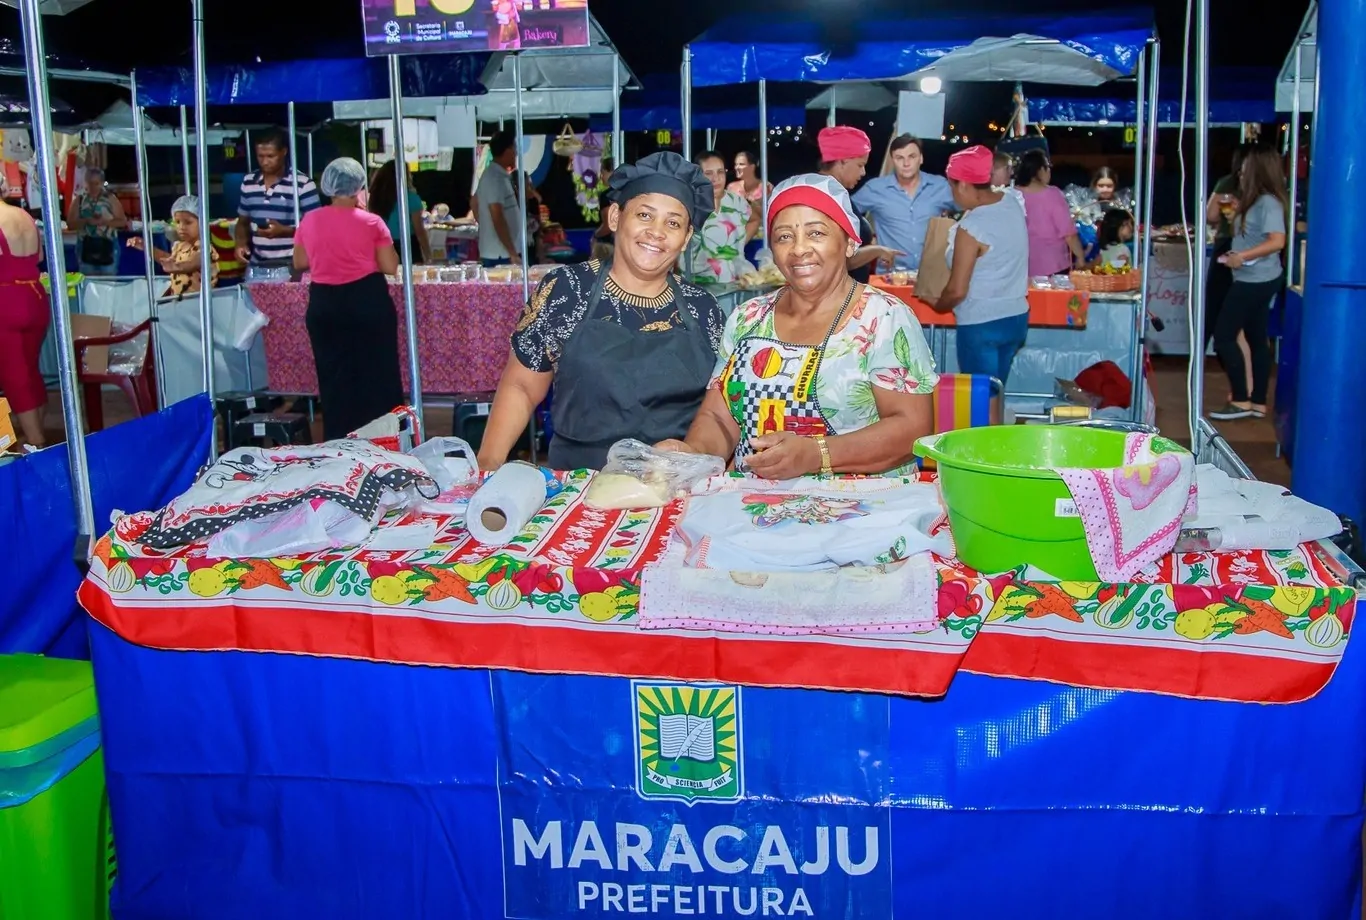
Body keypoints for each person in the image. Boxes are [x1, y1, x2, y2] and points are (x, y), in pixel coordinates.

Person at [661, 174, 937, 479]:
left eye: (816, 233)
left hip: (862, 512)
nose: (799, 249)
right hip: (753, 507)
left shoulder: (883, 317)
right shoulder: (748, 318)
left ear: (848, 243)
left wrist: (817, 455)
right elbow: (719, 416)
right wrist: (691, 455)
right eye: (783, 237)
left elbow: (912, 428)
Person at [477, 152, 724, 472]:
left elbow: (720, 412)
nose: (657, 232)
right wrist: (489, 462)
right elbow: (522, 388)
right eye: (645, 215)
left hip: (672, 486)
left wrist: (693, 451)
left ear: (687, 237)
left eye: (673, 223)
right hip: (579, 485)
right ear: (615, 217)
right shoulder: (566, 290)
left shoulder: (704, 309)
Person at [292, 158, 403, 440]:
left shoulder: (309, 220)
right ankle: (383, 440)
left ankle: (339, 442)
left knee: (334, 378)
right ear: (359, 187)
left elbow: (300, 261)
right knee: (378, 374)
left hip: (325, 304)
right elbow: (390, 266)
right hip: (367, 300)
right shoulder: (372, 222)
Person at [933, 146, 1030, 387]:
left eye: (952, 185)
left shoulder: (972, 228)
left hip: (982, 324)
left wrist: (938, 304)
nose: (952, 193)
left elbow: (957, 290)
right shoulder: (1011, 203)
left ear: (964, 185)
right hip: (1016, 317)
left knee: (979, 401)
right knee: (996, 394)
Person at [1209, 146, 1288, 422]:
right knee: (1256, 337)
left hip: (1256, 278)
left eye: (1245, 169)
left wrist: (1242, 256)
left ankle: (1241, 399)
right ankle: (1257, 401)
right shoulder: (1254, 201)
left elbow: (1277, 241)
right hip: (1250, 275)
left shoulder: (1268, 202)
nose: (1240, 174)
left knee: (1224, 336)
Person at [851, 135, 955, 272]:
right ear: (892, 160)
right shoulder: (875, 189)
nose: (906, 163)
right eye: (900, 158)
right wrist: (865, 243)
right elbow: (843, 213)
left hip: (931, 276)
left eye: (912, 156)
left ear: (921, 158)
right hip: (890, 276)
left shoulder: (940, 186)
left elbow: (970, 210)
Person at [815, 126, 901, 284]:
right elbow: (840, 260)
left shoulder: (835, 192)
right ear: (843, 161)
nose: (863, 173)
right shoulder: (826, 197)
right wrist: (877, 251)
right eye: (860, 165)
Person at [0, 190, 47, 449]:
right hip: (35, 296)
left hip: (6, 298)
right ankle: (36, 434)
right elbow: (39, 258)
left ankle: (35, 441)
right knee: (30, 369)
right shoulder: (24, 215)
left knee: (14, 375)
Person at [235, 128, 321, 269]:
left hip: (292, 265)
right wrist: (240, 244)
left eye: (270, 156)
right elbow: (242, 222)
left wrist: (285, 231)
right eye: (260, 156)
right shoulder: (248, 182)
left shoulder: (302, 184)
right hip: (258, 266)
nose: (265, 162)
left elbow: (317, 229)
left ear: (284, 152)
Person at [686, 151, 758, 285]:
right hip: (701, 285)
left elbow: (754, 220)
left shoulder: (735, 201)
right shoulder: (690, 206)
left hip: (738, 283)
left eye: (720, 172)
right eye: (708, 174)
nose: (716, 178)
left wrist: (738, 244)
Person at [127, 196, 219, 298]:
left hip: (199, 304)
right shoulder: (179, 246)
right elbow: (169, 259)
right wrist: (146, 247)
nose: (181, 227)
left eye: (188, 222)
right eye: (178, 222)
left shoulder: (206, 248)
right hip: (179, 303)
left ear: (202, 222)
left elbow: (193, 263)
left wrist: (177, 267)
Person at [1015, 150, 1085, 277]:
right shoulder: (1052, 194)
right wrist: (1080, 257)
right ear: (1040, 170)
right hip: (1053, 265)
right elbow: (1068, 233)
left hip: (1021, 266)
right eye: (1048, 167)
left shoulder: (1012, 194)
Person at [366, 159, 433, 264]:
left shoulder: (375, 199)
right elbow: (419, 231)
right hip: (407, 245)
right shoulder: (411, 198)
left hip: (382, 246)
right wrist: (428, 255)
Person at [67, 167, 126, 276]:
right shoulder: (79, 199)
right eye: (90, 183)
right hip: (85, 246)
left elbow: (122, 222)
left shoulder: (110, 198)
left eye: (96, 183)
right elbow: (70, 224)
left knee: (108, 284)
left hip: (108, 246)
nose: (93, 187)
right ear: (85, 183)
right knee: (89, 284)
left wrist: (104, 222)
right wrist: (86, 221)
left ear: (102, 183)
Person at [476, 131, 521, 268]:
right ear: (507, 151)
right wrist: (512, 252)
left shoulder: (499, 175)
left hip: (503, 252)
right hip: (500, 254)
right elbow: (497, 216)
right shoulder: (494, 178)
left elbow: (474, 201)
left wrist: (484, 224)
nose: (516, 154)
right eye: (514, 149)